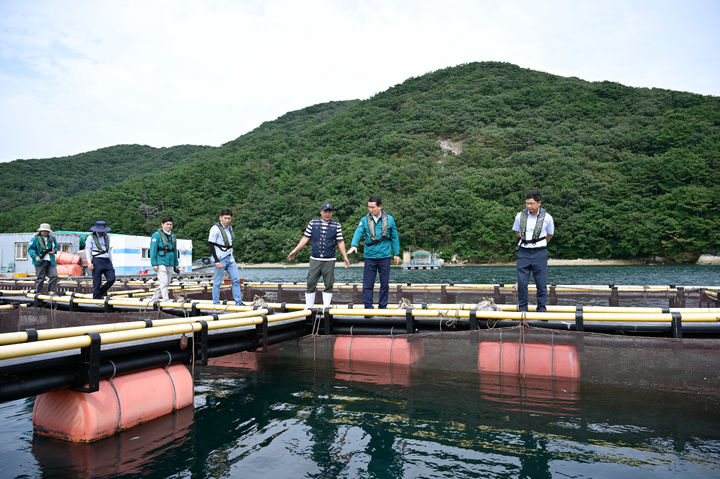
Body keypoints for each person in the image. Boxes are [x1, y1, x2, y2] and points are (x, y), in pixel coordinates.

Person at [288, 202, 350, 308]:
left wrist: (345, 257)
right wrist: (295, 250)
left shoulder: (336, 225)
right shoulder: (313, 223)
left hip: (329, 259)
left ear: (332, 213)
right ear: (321, 212)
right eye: (325, 212)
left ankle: (326, 307)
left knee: (329, 283)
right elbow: (305, 238)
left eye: (329, 212)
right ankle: (309, 307)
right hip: (315, 258)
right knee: (311, 282)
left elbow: (340, 242)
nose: (327, 214)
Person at [348, 196, 401, 309]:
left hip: (385, 255)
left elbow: (395, 237)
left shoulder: (390, 219)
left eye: (373, 207)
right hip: (370, 255)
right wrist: (354, 245)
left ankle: (382, 307)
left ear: (380, 207)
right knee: (368, 283)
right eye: (369, 207)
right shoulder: (364, 220)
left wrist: (396, 254)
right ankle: (368, 307)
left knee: (384, 284)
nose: (370, 210)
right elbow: (358, 232)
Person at [512, 190, 554, 312]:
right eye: (527, 203)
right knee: (522, 282)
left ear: (539, 203)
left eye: (531, 203)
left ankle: (541, 308)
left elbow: (550, 234)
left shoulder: (547, 218)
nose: (529, 206)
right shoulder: (520, 216)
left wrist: (540, 244)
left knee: (541, 282)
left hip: (540, 252)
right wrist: (526, 241)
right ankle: (523, 308)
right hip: (523, 252)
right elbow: (517, 231)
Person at [208, 209, 243, 304]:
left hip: (230, 258)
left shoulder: (230, 228)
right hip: (220, 258)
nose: (227, 220)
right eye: (225, 218)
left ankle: (238, 302)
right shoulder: (215, 228)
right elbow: (211, 245)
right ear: (220, 218)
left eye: (229, 218)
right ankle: (216, 303)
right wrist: (216, 260)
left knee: (236, 279)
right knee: (217, 282)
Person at [150, 216, 180, 302]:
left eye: (171, 224)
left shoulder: (173, 236)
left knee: (167, 282)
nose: (169, 226)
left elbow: (174, 251)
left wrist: (176, 263)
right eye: (167, 224)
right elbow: (153, 250)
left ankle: (154, 298)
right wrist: (154, 264)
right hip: (161, 261)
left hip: (170, 262)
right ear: (162, 224)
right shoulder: (156, 235)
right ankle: (166, 300)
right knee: (164, 282)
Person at [86, 220, 116, 299]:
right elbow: (88, 250)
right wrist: (89, 262)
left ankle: (100, 293)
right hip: (97, 260)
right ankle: (96, 299)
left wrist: (111, 259)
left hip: (106, 260)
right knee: (97, 283)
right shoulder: (90, 237)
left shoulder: (107, 237)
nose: (101, 232)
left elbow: (108, 249)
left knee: (111, 279)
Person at [28, 223, 59, 295]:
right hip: (40, 260)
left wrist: (55, 251)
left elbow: (56, 247)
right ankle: (38, 292)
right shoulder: (35, 238)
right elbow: (30, 249)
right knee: (40, 277)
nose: (44, 232)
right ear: (40, 231)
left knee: (54, 275)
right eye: (43, 231)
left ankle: (51, 291)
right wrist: (35, 256)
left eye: (46, 231)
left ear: (48, 232)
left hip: (50, 260)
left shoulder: (52, 238)